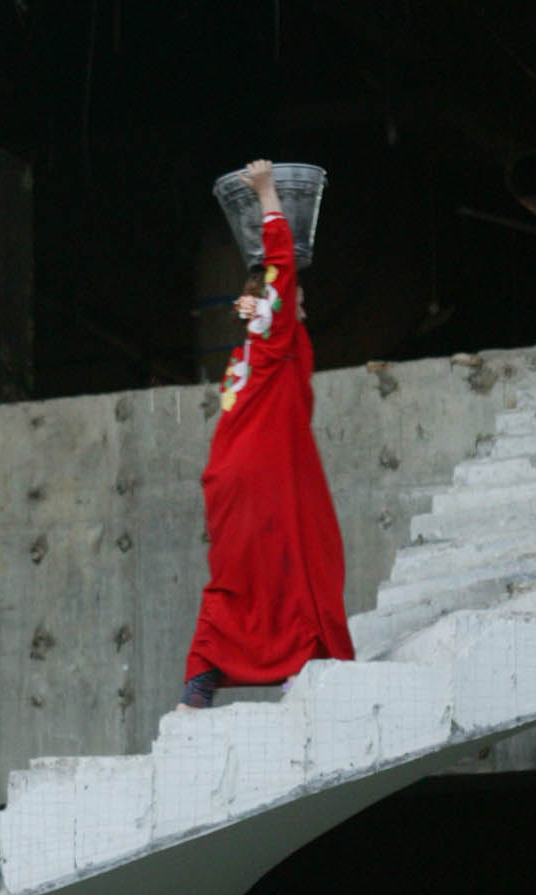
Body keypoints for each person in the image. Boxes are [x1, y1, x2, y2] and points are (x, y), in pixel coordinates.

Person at [179, 160, 353, 710]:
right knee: (294, 570)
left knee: (240, 580)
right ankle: (302, 671)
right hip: (264, 480)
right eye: (293, 299)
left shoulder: (246, 359)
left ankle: (199, 688)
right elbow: (279, 266)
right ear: (274, 307)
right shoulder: (273, 343)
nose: (302, 304)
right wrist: (267, 192)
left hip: (233, 482)